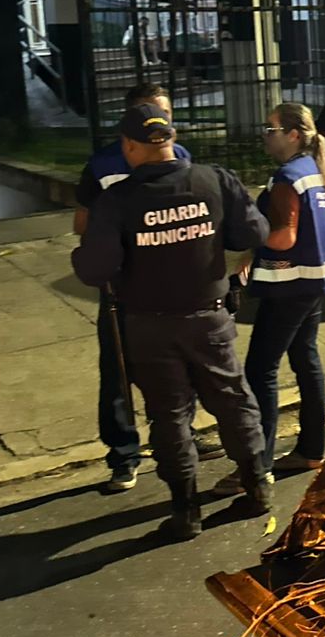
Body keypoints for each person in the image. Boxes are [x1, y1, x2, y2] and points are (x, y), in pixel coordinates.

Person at [71, 103, 269, 542]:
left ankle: (186, 511)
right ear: (171, 138)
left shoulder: (118, 201)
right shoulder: (214, 180)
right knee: (233, 401)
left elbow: (95, 268)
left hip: (150, 327)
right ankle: (257, 487)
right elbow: (253, 233)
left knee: (169, 415)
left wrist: (82, 255)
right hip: (210, 318)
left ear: (129, 146)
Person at [74, 82, 192, 494]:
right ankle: (124, 455)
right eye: (149, 114)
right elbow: (82, 223)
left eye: (165, 114)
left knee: (177, 367)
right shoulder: (104, 165)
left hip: (172, 284)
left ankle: (180, 439)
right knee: (119, 371)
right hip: (123, 286)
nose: (159, 122)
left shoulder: (181, 156)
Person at [240, 103, 325, 478]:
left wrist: (246, 234)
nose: (265, 136)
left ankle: (258, 464)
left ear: (293, 135)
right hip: (314, 281)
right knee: (305, 359)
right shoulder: (313, 170)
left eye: (271, 129)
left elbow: (283, 237)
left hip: (287, 285)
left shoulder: (287, 177)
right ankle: (312, 449)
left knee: (260, 370)